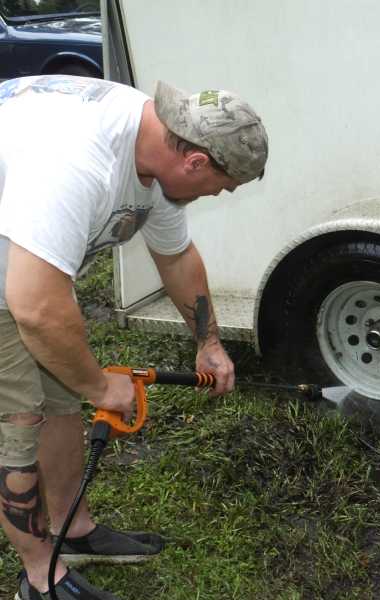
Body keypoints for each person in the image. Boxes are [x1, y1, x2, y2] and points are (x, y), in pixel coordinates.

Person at [0, 75, 268, 600]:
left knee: (59, 395)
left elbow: (175, 257)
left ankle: (73, 531)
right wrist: (101, 387)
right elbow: (32, 306)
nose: (218, 195)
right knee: (19, 417)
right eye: (222, 186)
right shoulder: (80, 162)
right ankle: (40, 579)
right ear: (196, 163)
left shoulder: (158, 151)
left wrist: (208, 341)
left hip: (27, 259)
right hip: (11, 272)